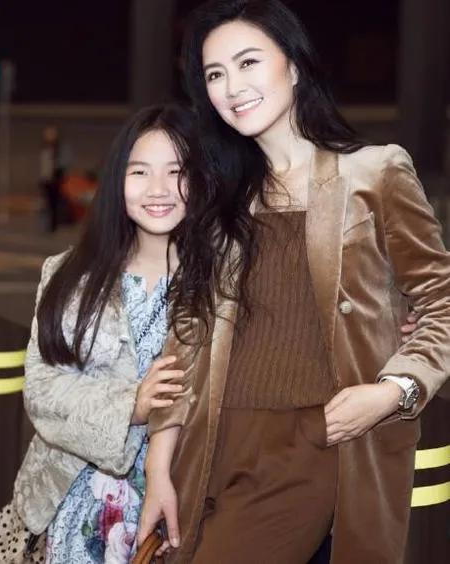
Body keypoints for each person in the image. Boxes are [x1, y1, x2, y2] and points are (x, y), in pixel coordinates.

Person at [137, 2, 450, 563]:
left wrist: (394, 391)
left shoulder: (375, 172)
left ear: (296, 66)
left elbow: (442, 301)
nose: (233, 87)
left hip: (314, 440)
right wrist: (160, 468)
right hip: (212, 446)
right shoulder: (219, 197)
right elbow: (187, 339)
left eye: (248, 62)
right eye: (215, 74)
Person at [0, 104, 196, 563]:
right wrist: (132, 405)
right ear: (116, 181)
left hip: (183, 499)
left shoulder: (221, 280)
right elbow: (42, 390)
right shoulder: (70, 274)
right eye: (140, 171)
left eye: (177, 172)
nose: (159, 188)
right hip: (76, 505)